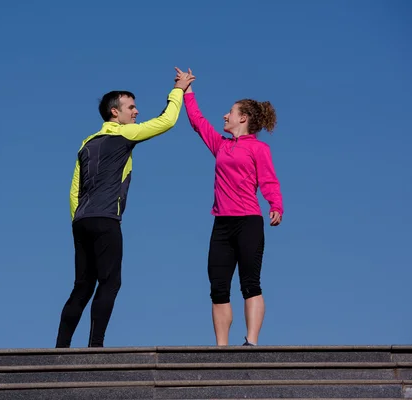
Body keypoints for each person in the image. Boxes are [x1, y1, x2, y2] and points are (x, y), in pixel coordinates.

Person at [55, 70, 196, 348]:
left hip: (81, 222)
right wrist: (178, 90)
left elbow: (74, 190)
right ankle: (95, 346)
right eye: (130, 107)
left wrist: (78, 219)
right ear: (114, 112)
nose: (136, 111)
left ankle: (60, 348)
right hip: (106, 220)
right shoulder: (124, 134)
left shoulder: (86, 143)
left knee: (82, 287)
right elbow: (166, 121)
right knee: (110, 283)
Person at [175, 67, 283, 346]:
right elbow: (198, 122)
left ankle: (251, 342)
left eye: (230, 112)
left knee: (250, 284)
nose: (225, 115)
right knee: (218, 287)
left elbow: (269, 180)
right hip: (221, 224)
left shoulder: (259, 149)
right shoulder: (221, 146)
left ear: (243, 118)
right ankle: (221, 348)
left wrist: (276, 205)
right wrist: (187, 91)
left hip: (248, 222)